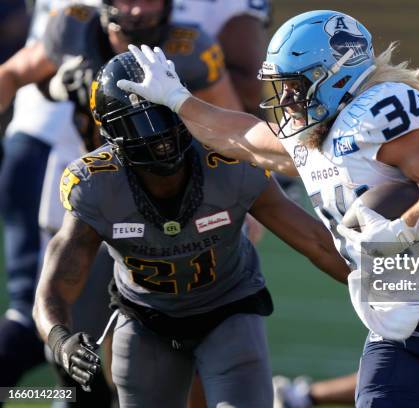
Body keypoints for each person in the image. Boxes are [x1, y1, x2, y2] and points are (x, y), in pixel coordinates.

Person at [118, 10, 419, 407]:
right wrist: (175, 97)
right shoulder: (315, 135)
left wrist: (404, 228)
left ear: (333, 75)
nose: (287, 99)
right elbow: (242, 135)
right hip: (394, 327)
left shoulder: (379, 110)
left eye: (295, 86)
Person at [33, 51, 349, 408]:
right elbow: (56, 284)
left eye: (164, 117)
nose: (161, 139)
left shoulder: (229, 162)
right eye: (140, 125)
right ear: (112, 135)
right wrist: (60, 339)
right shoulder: (95, 185)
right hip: (145, 320)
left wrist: (389, 288)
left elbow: (317, 243)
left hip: (227, 310)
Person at [0, 0, 239, 397]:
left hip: (177, 209)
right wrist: (57, 84)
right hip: (100, 200)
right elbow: (12, 73)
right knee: (75, 356)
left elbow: (232, 129)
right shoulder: (72, 28)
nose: (138, 9)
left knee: (187, 346)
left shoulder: (191, 47)